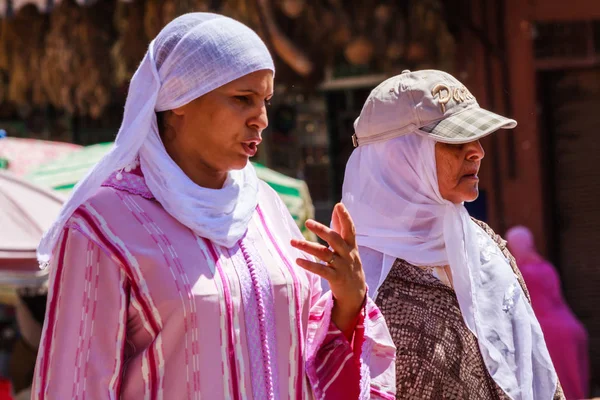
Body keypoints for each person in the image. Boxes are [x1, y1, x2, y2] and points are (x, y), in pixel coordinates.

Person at [31, 13, 395, 399]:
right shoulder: (104, 225)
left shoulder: (266, 209)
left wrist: (349, 299)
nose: (262, 119)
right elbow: (72, 385)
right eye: (243, 100)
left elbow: (306, 356)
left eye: (266, 101)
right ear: (179, 101)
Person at [341, 69, 563, 399]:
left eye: (475, 138)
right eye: (455, 140)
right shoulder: (355, 280)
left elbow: (538, 374)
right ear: (399, 156)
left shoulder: (488, 248)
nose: (477, 152)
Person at [506, 226, 589, 400]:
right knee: (576, 389)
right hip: (573, 329)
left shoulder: (519, 272)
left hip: (549, 336)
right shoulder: (546, 266)